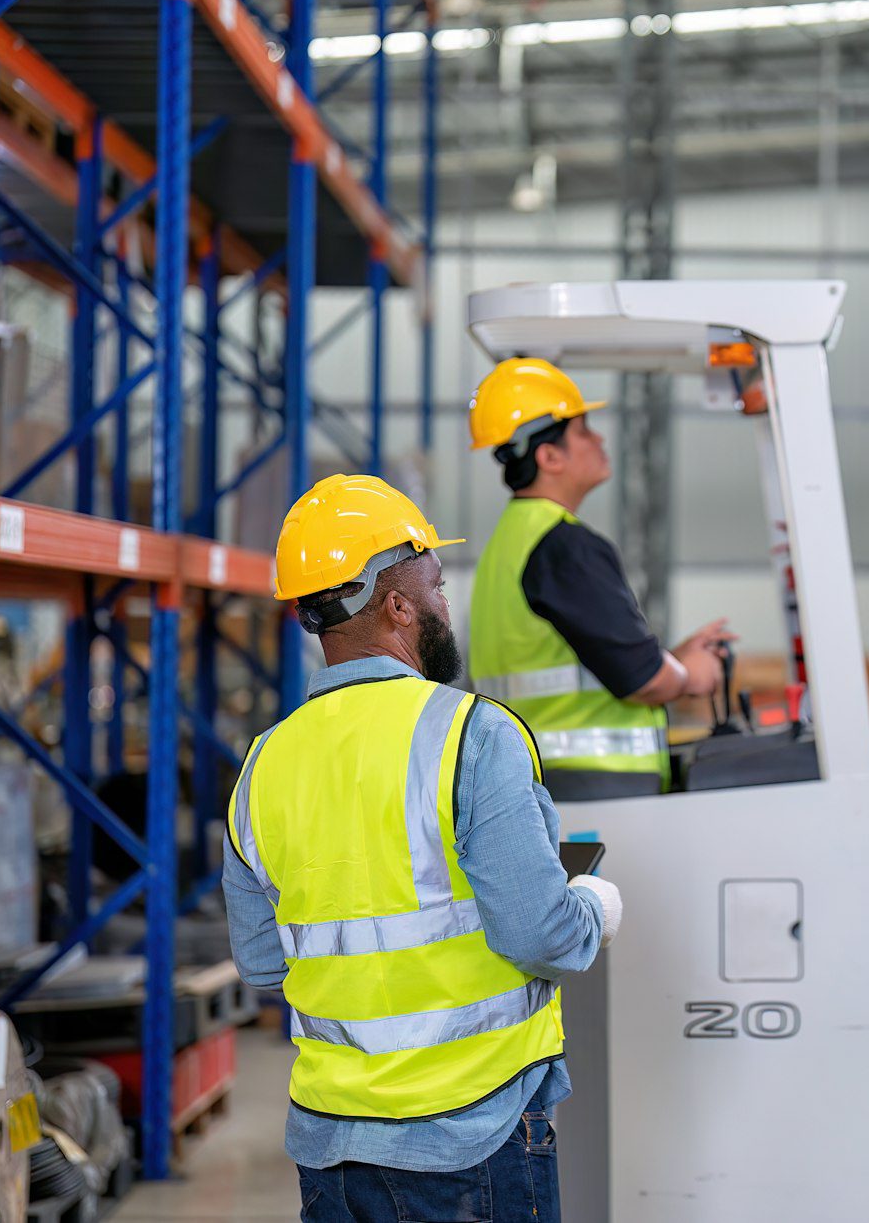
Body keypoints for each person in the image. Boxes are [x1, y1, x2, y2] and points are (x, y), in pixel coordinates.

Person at [224, 473, 621, 1223]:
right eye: (436, 583)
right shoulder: (472, 735)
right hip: (475, 1138)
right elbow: (543, 935)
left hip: (332, 1151)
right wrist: (596, 907)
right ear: (397, 605)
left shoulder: (263, 763)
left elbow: (264, 964)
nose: (445, 602)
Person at [466, 357, 732, 787]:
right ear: (550, 456)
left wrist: (673, 659)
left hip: (539, 778)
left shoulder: (511, 542)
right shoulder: (564, 546)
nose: (599, 438)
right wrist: (692, 674)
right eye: (583, 430)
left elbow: (601, 661)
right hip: (597, 781)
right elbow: (642, 681)